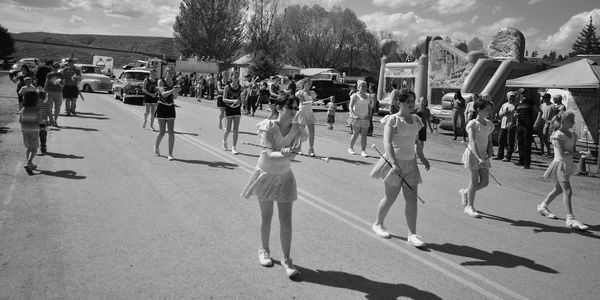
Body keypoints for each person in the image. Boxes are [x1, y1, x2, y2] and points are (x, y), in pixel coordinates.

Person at [241, 93, 307, 278]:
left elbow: (294, 153)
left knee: (286, 219)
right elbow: (269, 154)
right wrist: (286, 153)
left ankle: (287, 259)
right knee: (267, 216)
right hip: (266, 175)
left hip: (284, 176)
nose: (294, 111)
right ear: (279, 108)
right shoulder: (269, 126)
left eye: (296, 107)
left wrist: (290, 153)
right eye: (290, 107)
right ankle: (264, 250)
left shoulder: (298, 130)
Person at [370, 90, 430, 247]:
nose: (411, 103)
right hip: (394, 163)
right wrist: (394, 163)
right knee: (391, 197)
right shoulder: (393, 120)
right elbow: (387, 143)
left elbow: (415, 142)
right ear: (399, 103)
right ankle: (378, 223)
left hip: (411, 164)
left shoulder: (416, 119)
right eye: (407, 101)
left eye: (413, 100)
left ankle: (412, 234)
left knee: (411, 200)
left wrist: (422, 158)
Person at [536, 111, 588, 230]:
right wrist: (578, 153)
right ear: (563, 121)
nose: (573, 122)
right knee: (568, 191)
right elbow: (563, 153)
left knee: (558, 189)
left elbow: (572, 151)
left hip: (568, 165)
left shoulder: (573, 135)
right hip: (560, 166)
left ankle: (543, 206)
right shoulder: (557, 135)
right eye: (571, 120)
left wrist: (582, 154)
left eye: (573, 120)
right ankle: (570, 219)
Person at [458, 98, 494, 218]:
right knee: (474, 181)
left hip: (483, 155)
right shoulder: (473, 124)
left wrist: (491, 149)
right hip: (473, 155)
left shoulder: (489, 124)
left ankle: (465, 192)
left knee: (484, 182)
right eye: (487, 110)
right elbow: (472, 142)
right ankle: (470, 206)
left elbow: (489, 139)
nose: (489, 112)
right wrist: (478, 158)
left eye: (490, 110)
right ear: (478, 110)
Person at [154, 66, 180, 161]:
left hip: (171, 107)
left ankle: (170, 153)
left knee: (171, 132)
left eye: (173, 73)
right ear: (166, 73)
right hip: (161, 107)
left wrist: (177, 92)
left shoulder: (174, 83)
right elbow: (163, 94)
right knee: (162, 132)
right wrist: (173, 90)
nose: (171, 75)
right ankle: (156, 147)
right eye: (169, 72)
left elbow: (175, 97)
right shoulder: (160, 81)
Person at [348, 80, 374, 157]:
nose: (363, 87)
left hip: (365, 118)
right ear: (358, 87)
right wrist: (354, 115)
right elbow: (350, 107)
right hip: (356, 118)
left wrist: (369, 115)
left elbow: (369, 107)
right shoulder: (355, 96)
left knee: (364, 135)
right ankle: (350, 148)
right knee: (355, 133)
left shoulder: (369, 96)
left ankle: (363, 151)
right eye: (362, 86)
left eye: (365, 86)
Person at [19, 89, 41, 174]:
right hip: (34, 130)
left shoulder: (23, 108)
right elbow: (39, 121)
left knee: (28, 148)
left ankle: (30, 163)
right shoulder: (37, 109)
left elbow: (20, 120)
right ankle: (29, 162)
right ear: (36, 99)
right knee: (34, 148)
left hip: (24, 130)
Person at [294, 78, 318, 156]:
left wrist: (317, 102)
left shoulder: (312, 93)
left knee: (312, 131)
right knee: (301, 131)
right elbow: (303, 102)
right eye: (308, 84)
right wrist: (311, 102)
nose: (309, 85)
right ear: (304, 84)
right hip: (302, 112)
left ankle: (311, 149)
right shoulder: (300, 92)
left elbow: (314, 100)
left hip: (310, 113)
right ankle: (299, 148)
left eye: (310, 84)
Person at [222, 71, 243, 155]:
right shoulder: (227, 87)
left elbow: (242, 101)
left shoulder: (241, 88)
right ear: (231, 78)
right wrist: (233, 101)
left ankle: (234, 147)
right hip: (229, 108)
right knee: (228, 129)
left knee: (236, 129)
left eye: (238, 77)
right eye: (235, 77)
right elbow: (224, 99)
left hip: (237, 109)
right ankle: (224, 140)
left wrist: (242, 99)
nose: (236, 78)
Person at [514, 89, 535, 169]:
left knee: (527, 144)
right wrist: (514, 116)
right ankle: (521, 161)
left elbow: (539, 112)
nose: (524, 94)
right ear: (519, 95)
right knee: (520, 144)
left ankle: (527, 163)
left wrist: (536, 122)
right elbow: (515, 115)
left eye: (526, 93)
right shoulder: (517, 105)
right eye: (523, 93)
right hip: (520, 125)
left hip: (528, 125)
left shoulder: (531, 103)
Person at [494, 91, 517, 161]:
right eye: (510, 97)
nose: (511, 98)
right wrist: (505, 112)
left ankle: (508, 156)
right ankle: (500, 155)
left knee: (510, 141)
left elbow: (516, 116)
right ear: (507, 97)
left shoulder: (516, 105)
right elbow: (500, 115)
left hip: (511, 125)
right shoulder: (504, 105)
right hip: (503, 125)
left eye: (513, 97)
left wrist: (511, 113)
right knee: (501, 140)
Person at [43, 62, 64, 127]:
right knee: (49, 107)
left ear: (59, 68)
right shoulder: (49, 74)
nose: (55, 68)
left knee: (57, 108)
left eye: (57, 67)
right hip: (50, 92)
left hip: (58, 92)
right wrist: (44, 91)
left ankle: (55, 121)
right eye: (54, 67)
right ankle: (50, 120)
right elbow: (46, 83)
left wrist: (57, 83)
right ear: (52, 67)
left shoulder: (61, 75)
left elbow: (63, 85)